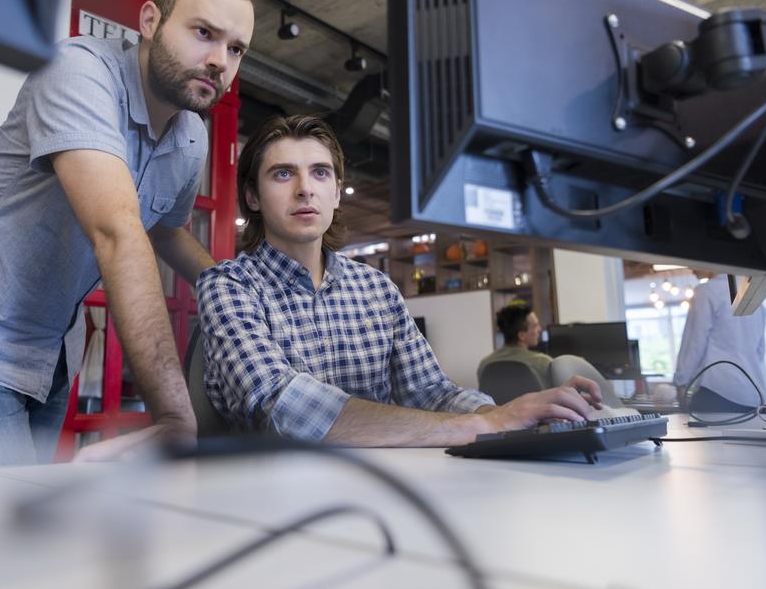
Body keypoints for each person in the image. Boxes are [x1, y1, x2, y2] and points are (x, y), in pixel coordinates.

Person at [0, 0, 255, 467]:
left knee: (30, 512)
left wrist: (238, 291)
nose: (220, 60)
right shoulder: (78, 71)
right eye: (203, 32)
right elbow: (118, 231)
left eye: (235, 48)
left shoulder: (191, 136)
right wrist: (175, 414)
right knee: (4, 521)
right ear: (150, 22)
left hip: (49, 349)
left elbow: (168, 233)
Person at [196, 115, 602, 446]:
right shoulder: (228, 286)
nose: (305, 190)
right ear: (252, 197)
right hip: (273, 506)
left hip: (388, 492)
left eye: (319, 173)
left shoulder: (376, 289)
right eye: (283, 174)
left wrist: (502, 415)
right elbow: (282, 408)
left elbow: (432, 393)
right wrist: (479, 427)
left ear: (337, 193)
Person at [674, 271, 766, 412]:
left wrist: (681, 383)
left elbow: (694, 344)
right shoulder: (754, 297)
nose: (691, 269)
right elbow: (760, 352)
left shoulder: (706, 291)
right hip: (753, 395)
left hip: (716, 390)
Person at [477, 304, 552, 386]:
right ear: (521, 336)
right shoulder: (544, 363)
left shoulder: (484, 364)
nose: (539, 329)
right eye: (535, 326)